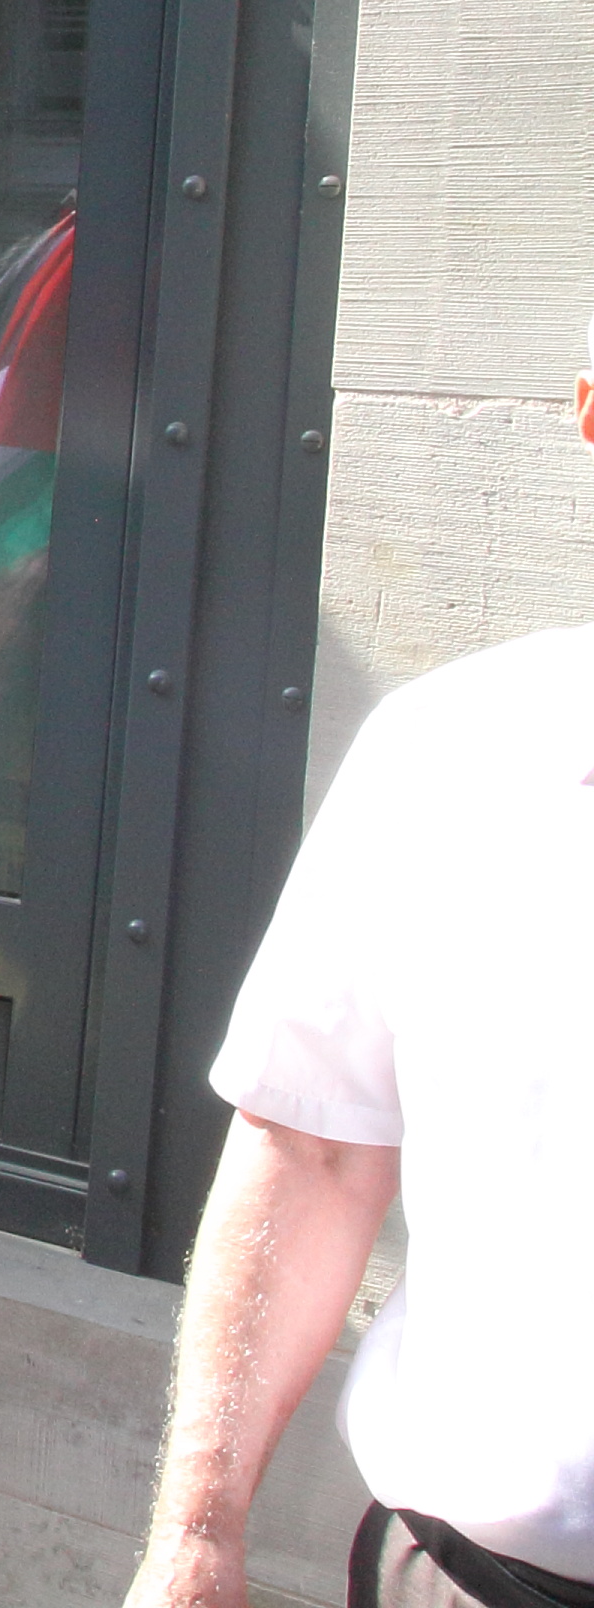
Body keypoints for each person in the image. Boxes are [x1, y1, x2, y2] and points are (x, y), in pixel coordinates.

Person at [119, 321, 594, 1608]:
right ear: (591, 414)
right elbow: (312, 1152)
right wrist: (196, 1537)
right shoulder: (449, 752)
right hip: (472, 1578)